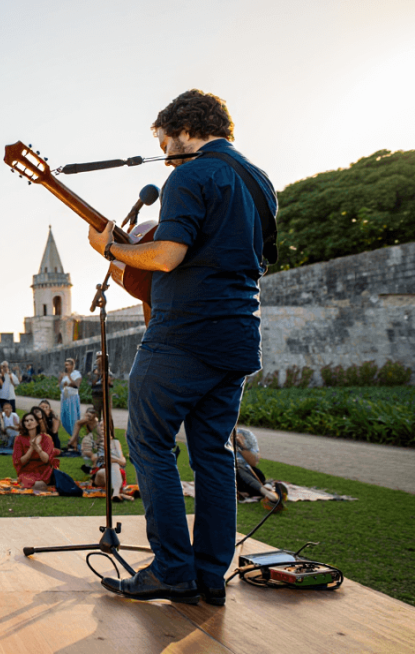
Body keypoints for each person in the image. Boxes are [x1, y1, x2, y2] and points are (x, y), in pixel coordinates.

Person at [90, 90, 278, 606]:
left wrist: (112, 248)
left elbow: (168, 255)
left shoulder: (190, 175)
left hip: (185, 334)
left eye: (164, 141)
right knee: (213, 454)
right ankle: (210, 576)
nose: (164, 153)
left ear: (184, 129)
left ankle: (173, 569)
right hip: (239, 334)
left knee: (149, 444)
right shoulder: (259, 180)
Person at [12, 411, 59, 492]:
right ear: (24, 424)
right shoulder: (19, 439)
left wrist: (38, 449)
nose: (29, 422)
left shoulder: (46, 438)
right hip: (27, 470)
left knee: (42, 480)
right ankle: (39, 484)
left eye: (31, 420)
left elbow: (46, 460)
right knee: (29, 483)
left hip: (44, 468)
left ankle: (45, 482)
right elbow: (20, 461)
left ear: (37, 423)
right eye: (26, 421)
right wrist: (31, 449)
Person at [89, 420, 131, 503]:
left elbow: (123, 461)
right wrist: (116, 460)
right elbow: (99, 460)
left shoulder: (116, 442)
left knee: (114, 465)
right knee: (113, 466)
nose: (102, 428)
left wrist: (115, 460)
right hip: (101, 473)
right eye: (100, 426)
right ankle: (118, 493)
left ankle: (116, 494)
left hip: (116, 471)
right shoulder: (96, 443)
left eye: (104, 426)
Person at [234, 426, 279, 502]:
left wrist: (241, 446)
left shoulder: (245, 434)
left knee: (249, 471)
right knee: (236, 467)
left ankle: (266, 487)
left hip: (247, 472)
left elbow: (253, 462)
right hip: (231, 475)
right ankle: (266, 491)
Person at [58, 359, 82, 439]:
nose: (66, 366)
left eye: (68, 365)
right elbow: (60, 385)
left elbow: (77, 385)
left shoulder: (77, 374)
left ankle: (74, 436)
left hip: (72, 397)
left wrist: (69, 377)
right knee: (64, 417)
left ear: (72, 365)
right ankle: (71, 434)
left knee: (73, 417)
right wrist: (60, 378)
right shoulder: (64, 374)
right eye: (65, 365)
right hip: (65, 397)